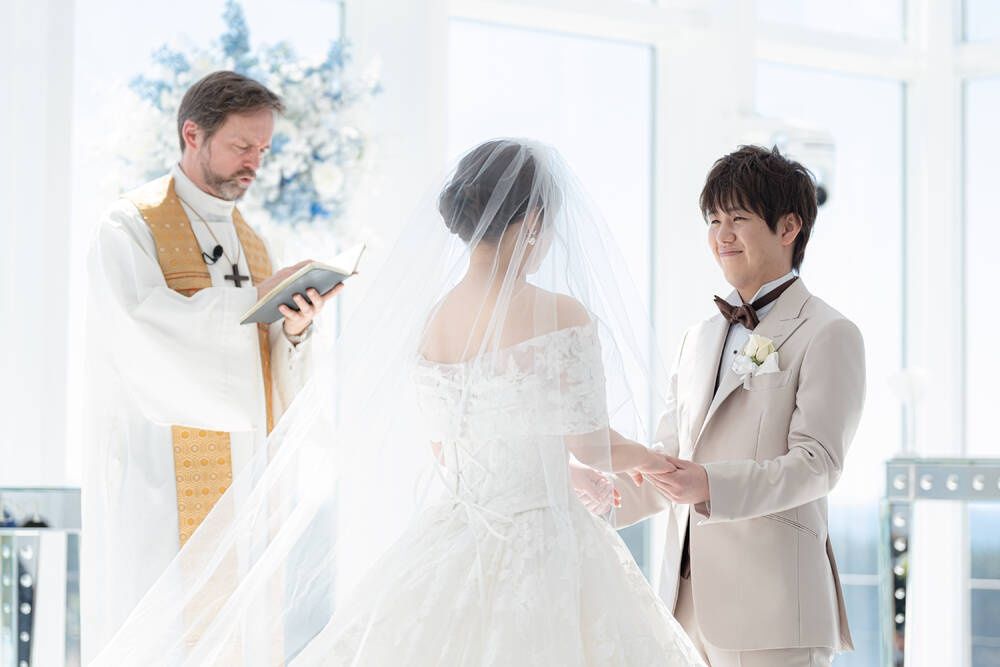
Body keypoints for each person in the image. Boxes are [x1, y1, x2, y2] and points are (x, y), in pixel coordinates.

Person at [91, 139, 703, 666]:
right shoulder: (562, 314)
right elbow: (593, 446)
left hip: (457, 537)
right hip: (546, 543)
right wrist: (653, 461)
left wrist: (558, 470)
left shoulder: (433, 321)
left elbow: (453, 447)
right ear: (536, 219)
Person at [81, 70, 342, 661]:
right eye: (241, 145)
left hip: (246, 479)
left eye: (263, 149)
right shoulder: (130, 225)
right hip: (162, 475)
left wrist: (294, 330)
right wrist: (251, 304)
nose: (255, 163)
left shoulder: (253, 242)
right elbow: (138, 335)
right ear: (192, 134)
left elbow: (267, 363)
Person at [618, 145, 866, 667]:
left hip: (774, 612)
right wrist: (594, 500)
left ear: (788, 227)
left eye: (738, 218)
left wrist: (711, 484)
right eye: (713, 220)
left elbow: (818, 464)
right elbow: (669, 460)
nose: (722, 235)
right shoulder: (696, 338)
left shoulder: (829, 332)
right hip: (683, 610)